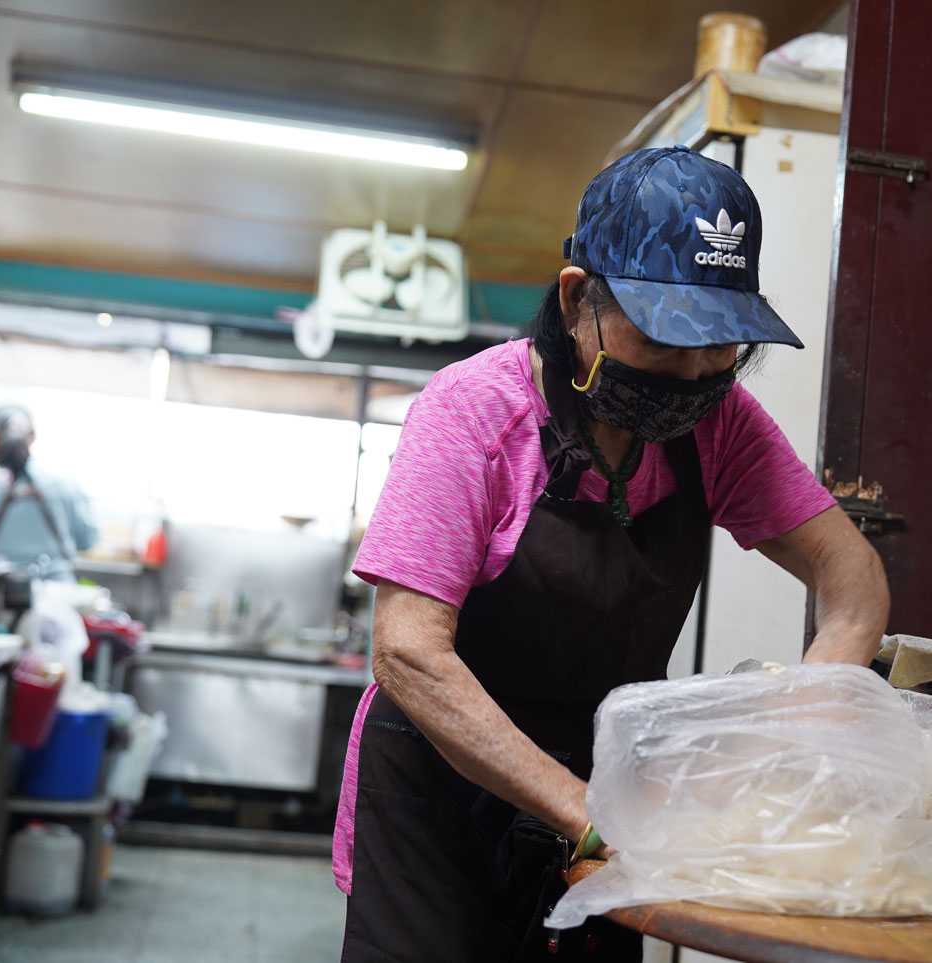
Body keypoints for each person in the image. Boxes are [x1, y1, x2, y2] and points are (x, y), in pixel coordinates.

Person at [335, 146, 890, 962]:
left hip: (608, 803)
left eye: (722, 343)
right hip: (440, 798)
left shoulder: (720, 424)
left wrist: (812, 719)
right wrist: (584, 811)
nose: (699, 371)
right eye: (670, 341)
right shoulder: (474, 413)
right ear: (576, 300)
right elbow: (408, 652)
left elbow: (853, 579)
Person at [0, 405, 98, 582]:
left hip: (0, 595)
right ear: (33, 437)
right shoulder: (65, 485)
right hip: (56, 592)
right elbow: (87, 541)